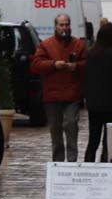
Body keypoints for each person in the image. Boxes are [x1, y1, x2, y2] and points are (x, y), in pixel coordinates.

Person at [30, 13, 87, 161]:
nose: (64, 28)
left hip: (72, 93)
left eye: (67, 24)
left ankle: (72, 161)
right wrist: (53, 64)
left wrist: (76, 66)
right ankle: (58, 163)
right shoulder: (46, 45)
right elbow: (36, 65)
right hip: (52, 95)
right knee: (55, 130)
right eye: (61, 25)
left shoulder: (78, 45)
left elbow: (88, 65)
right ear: (55, 26)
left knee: (71, 124)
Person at [83, 22, 112, 162]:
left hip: (95, 104)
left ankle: (88, 165)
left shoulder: (91, 54)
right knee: (108, 141)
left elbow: (86, 77)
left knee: (93, 140)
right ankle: (105, 166)